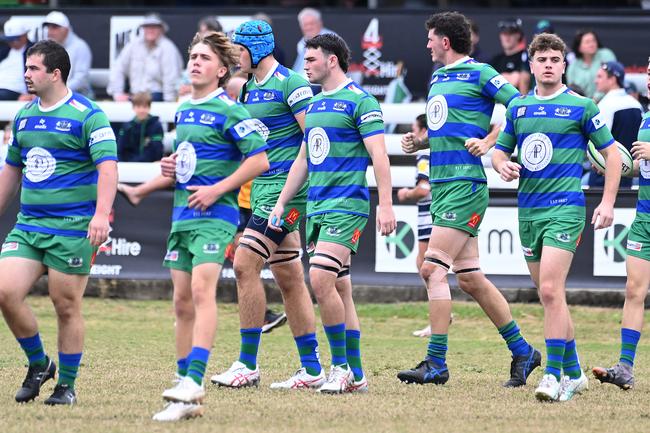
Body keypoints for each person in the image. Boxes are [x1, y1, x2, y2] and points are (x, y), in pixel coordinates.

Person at [397, 11, 540, 389]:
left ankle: (437, 363)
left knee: (431, 270)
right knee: (472, 280)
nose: (426, 44)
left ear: (445, 41)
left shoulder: (480, 73)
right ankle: (523, 351)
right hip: (443, 183)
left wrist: (492, 142)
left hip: (464, 185)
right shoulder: (438, 76)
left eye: (430, 38)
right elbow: (448, 126)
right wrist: (421, 141)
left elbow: (520, 106)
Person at [492, 33, 622, 402]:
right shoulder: (517, 107)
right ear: (531, 65)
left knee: (550, 290)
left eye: (555, 59)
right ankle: (576, 372)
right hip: (528, 211)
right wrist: (502, 166)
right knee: (551, 296)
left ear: (564, 65)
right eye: (542, 59)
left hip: (565, 208)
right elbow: (499, 153)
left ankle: (552, 375)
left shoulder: (582, 106)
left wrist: (608, 202)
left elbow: (613, 155)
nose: (548, 65)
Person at [151, 31, 269, 422]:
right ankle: (184, 394)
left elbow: (259, 161)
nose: (196, 61)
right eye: (193, 56)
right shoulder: (184, 110)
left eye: (204, 57)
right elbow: (190, 160)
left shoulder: (231, 109)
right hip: (181, 215)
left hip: (215, 217)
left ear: (222, 70)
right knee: (181, 302)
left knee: (202, 292)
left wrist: (217, 189)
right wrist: (171, 167)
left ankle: (193, 380)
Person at [268, 33, 396, 393]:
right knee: (340, 287)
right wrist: (281, 202)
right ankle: (356, 374)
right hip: (318, 206)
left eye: (310, 60)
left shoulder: (361, 101)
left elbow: (380, 157)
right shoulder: (318, 104)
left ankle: (340, 368)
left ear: (332, 60)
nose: (305, 65)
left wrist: (385, 204)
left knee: (320, 279)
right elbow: (305, 158)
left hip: (347, 205)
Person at [0, 40, 118, 405]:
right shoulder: (23, 116)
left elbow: (108, 168)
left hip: (72, 227)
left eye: (33, 68)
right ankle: (39, 364)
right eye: (25, 67)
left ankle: (66, 385)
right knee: (5, 292)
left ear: (55, 73)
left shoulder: (89, 114)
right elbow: (10, 171)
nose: (26, 74)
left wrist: (100, 215)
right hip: (29, 225)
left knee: (65, 305)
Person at [210, 20, 321, 390]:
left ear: (257, 49)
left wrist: (294, 189)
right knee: (289, 277)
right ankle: (312, 369)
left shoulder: (291, 83)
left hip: (287, 194)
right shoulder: (248, 91)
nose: (234, 56)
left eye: (238, 49)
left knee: (244, 264)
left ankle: (247, 364)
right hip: (261, 191)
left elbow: (315, 138)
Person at [592, 56, 650, 390]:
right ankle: (625, 368)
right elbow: (636, 163)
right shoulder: (646, 117)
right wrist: (613, 166)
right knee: (633, 289)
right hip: (644, 216)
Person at [396, 114, 434, 337]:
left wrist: (406, 193)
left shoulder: (424, 153)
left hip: (429, 215)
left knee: (427, 267)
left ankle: (438, 318)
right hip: (431, 214)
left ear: (423, 131)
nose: (411, 135)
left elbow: (424, 189)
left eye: (414, 129)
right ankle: (438, 317)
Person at [107, 13, 183, 102]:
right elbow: (119, 68)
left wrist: (168, 104)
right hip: (134, 97)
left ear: (162, 29)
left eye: (154, 27)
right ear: (143, 29)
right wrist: (117, 93)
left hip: (157, 98)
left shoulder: (168, 49)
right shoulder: (133, 45)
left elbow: (171, 79)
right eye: (147, 26)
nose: (150, 30)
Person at [590, 61, 642, 188]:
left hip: (604, 178)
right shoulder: (637, 104)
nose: (596, 81)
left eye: (600, 76)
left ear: (612, 79)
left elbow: (595, 143)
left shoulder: (604, 105)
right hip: (629, 177)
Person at [43, 11, 93, 97]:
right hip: (55, 95)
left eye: (55, 27)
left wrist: (57, 90)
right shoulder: (47, 47)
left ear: (66, 30)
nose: (50, 32)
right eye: (48, 28)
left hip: (79, 96)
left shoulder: (80, 47)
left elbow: (81, 79)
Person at [566, 29, 616, 100]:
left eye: (593, 40)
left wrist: (596, 99)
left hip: (608, 99)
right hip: (583, 104)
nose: (591, 44)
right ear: (579, 48)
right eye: (587, 42)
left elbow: (612, 78)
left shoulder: (606, 54)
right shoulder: (573, 66)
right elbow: (572, 91)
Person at [117, 91, 164, 162]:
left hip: (150, 165)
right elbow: (121, 149)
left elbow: (157, 149)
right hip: (129, 165)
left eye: (145, 107)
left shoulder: (156, 125)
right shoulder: (127, 126)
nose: (141, 110)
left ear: (149, 107)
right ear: (133, 107)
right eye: (138, 107)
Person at [490, 18, 530, 94]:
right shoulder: (496, 60)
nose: (507, 37)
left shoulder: (526, 57)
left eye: (511, 33)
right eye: (504, 33)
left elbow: (521, 80)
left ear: (518, 35)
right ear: (500, 36)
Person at [292, 8, 336, 75]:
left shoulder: (330, 38)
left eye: (312, 23)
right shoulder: (302, 43)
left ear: (320, 23)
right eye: (305, 25)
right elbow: (298, 69)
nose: (309, 27)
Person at [0, 17, 34, 100]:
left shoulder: (34, 51)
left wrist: (33, 94)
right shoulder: (4, 50)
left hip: (16, 91)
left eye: (14, 39)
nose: (11, 42)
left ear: (24, 36)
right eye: (9, 40)